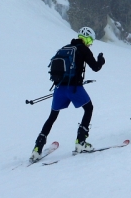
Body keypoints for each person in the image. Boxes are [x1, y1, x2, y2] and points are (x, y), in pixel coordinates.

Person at [30, 26, 105, 162]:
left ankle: (37, 148)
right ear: (87, 39)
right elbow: (95, 67)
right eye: (90, 41)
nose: (90, 44)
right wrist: (101, 60)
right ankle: (80, 142)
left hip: (59, 89)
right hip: (74, 88)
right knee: (88, 109)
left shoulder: (65, 48)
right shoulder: (84, 49)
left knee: (52, 116)